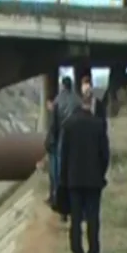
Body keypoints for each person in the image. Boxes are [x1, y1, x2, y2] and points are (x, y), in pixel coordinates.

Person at [59, 85, 111, 253]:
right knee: (93, 218)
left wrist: (64, 178)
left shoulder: (69, 125)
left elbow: (63, 155)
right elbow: (105, 155)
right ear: (92, 102)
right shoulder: (98, 125)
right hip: (93, 180)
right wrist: (100, 172)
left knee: (75, 219)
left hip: (74, 179)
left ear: (81, 101)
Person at [48, 76, 79, 214]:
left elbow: (54, 124)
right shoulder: (77, 101)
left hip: (62, 138)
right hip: (75, 140)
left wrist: (51, 140)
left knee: (60, 173)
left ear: (62, 86)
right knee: (73, 172)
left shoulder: (57, 101)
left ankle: (59, 203)